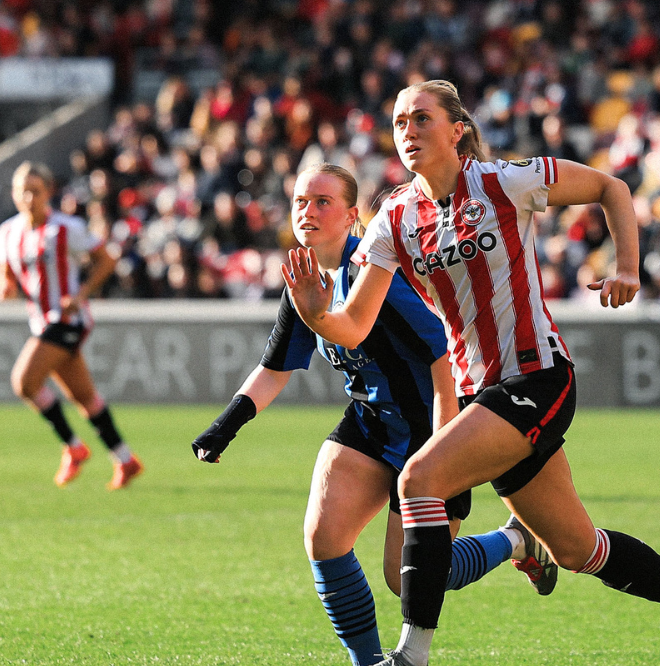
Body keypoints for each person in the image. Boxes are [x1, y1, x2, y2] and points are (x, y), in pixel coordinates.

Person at [283, 81, 660, 666]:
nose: (407, 132)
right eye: (399, 122)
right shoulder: (394, 218)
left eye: (421, 119)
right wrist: (312, 311)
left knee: (417, 481)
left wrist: (627, 266)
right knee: (579, 550)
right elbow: (351, 326)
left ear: (456, 130)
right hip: (483, 398)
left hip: (537, 378)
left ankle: (410, 655)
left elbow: (611, 187)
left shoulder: (506, 181)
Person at [193, 164, 557, 666]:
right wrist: (225, 426)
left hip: (430, 426)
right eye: (301, 201)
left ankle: (517, 539)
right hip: (370, 421)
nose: (309, 210)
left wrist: (444, 441)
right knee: (323, 538)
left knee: (407, 575)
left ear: (351, 216)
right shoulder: (305, 283)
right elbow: (274, 368)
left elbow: (444, 353)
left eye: (323, 201)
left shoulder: (375, 271)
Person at [0, 161, 143, 490]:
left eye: (35, 190)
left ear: (48, 192)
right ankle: (125, 459)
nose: (28, 197)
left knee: (24, 382)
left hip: (67, 321)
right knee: (84, 397)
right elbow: (4, 276)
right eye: (22, 191)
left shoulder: (65, 229)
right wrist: (3, 287)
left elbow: (106, 259)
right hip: (40, 323)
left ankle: (73, 447)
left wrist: (83, 293)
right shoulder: (7, 233)